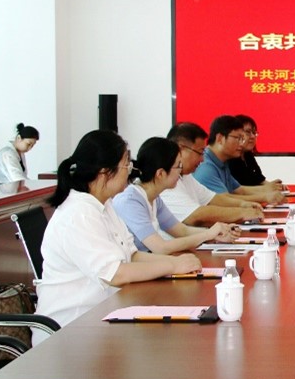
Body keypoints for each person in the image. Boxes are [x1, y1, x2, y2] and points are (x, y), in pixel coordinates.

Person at [36, 130, 200, 329]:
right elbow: (115, 274)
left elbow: (132, 256)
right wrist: (172, 267)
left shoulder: (105, 205)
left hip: (106, 313)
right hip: (72, 326)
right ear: (105, 172)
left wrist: (176, 262)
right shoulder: (79, 213)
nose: (130, 172)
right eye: (126, 165)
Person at [113, 137, 239, 253]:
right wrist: (208, 235)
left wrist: (217, 233)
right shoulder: (130, 201)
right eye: (178, 166)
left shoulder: (155, 198)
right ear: (160, 174)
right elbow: (160, 247)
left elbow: (183, 231)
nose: (181, 171)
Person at [161, 123, 268, 226]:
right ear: (180, 149)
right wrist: (242, 213)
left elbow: (212, 199)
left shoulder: (186, 175)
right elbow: (196, 216)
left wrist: (243, 205)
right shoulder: (166, 180)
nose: (202, 159)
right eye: (200, 152)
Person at [193, 115, 286, 204]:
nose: (241, 144)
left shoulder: (222, 161)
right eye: (238, 138)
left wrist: (269, 188)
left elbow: (239, 190)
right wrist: (264, 197)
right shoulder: (205, 167)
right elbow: (225, 200)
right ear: (220, 138)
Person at [227, 114, 287, 192]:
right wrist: (267, 188)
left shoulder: (248, 155)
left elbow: (259, 180)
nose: (253, 136)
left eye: (254, 132)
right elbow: (237, 190)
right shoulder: (228, 159)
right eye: (248, 132)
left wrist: (275, 186)